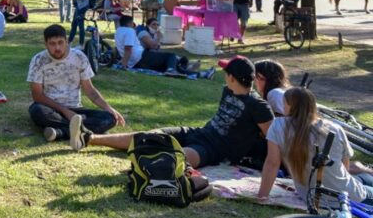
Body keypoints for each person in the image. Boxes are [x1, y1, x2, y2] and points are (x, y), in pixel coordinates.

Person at [71, 56, 274, 168]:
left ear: (231, 77)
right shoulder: (227, 91)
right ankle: (89, 138)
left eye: (225, 72)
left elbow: (273, 138)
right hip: (200, 133)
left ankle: (142, 170)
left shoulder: (259, 106)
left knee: (173, 159)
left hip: (217, 151)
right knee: (151, 136)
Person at [258, 87, 373, 205]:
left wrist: (262, 196)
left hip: (312, 196)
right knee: (366, 179)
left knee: (364, 178)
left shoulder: (278, 126)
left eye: (284, 104)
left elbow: (272, 163)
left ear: (289, 105)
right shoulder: (334, 128)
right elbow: (345, 167)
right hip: (347, 197)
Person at [28, 24, 124, 142]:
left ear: (67, 41)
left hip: (76, 110)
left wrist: (109, 108)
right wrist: (65, 111)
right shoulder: (38, 60)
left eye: (60, 42)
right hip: (51, 108)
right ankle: (80, 130)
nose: (57, 47)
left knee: (109, 118)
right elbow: (37, 96)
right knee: (36, 110)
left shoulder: (79, 57)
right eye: (52, 44)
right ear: (45, 44)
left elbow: (90, 90)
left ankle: (61, 132)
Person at [115, 16, 212, 77]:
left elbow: (121, 48)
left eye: (157, 24)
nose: (156, 26)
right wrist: (124, 64)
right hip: (140, 57)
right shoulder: (131, 31)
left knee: (172, 66)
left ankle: (202, 74)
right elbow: (128, 48)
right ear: (130, 23)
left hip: (136, 61)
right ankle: (172, 69)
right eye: (153, 24)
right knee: (171, 56)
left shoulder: (118, 31)